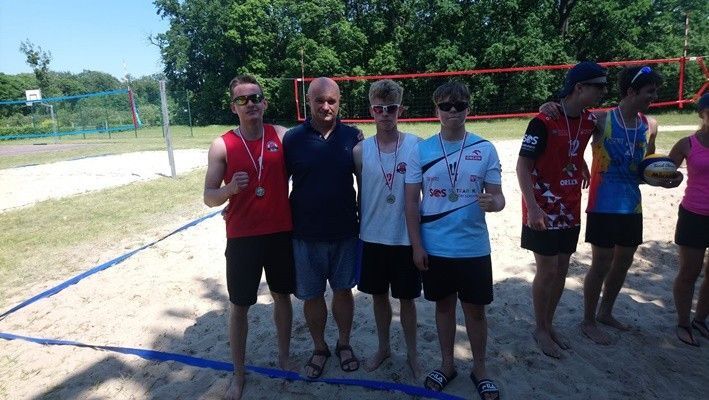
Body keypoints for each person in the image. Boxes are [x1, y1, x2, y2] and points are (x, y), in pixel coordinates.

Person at [404, 81, 504, 399]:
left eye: (459, 105)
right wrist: (417, 245)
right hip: (435, 246)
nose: (452, 111)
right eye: (445, 106)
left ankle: (480, 369)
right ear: (436, 110)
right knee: (444, 308)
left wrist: (494, 203)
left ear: (468, 109)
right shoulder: (421, 150)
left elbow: (499, 197)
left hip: (473, 247)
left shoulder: (485, 149)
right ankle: (447, 365)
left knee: (475, 311)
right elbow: (411, 203)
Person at [203, 75, 294, 400]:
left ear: (264, 102)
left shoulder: (281, 136)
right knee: (239, 306)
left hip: (280, 233)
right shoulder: (222, 145)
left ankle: (284, 358)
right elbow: (208, 196)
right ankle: (238, 374)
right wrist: (229, 190)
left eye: (255, 97)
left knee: (282, 297)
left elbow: (315, 146)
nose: (250, 104)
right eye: (242, 99)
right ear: (233, 107)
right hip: (242, 237)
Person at [579, 65, 682, 344]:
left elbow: (646, 169)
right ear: (631, 91)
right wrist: (580, 164)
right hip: (602, 204)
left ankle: (605, 313)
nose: (655, 96)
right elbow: (570, 132)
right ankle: (588, 320)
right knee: (601, 263)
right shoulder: (600, 119)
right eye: (650, 91)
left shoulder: (650, 125)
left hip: (631, 206)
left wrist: (664, 179)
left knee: (623, 262)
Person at [516, 61, 608, 358]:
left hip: (570, 206)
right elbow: (522, 166)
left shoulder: (590, 120)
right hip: (542, 207)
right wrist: (532, 208)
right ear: (579, 87)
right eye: (598, 86)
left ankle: (549, 324)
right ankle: (540, 329)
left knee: (562, 270)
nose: (603, 92)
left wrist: (580, 163)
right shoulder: (543, 121)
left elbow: (574, 145)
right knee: (548, 270)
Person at [283, 77, 361, 379]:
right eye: (319, 100)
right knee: (312, 295)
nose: (326, 106)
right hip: (305, 233)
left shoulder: (353, 137)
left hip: (345, 231)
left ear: (339, 102)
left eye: (331, 101)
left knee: (343, 291)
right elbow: (276, 185)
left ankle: (344, 343)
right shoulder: (292, 139)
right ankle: (319, 347)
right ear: (309, 101)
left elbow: (366, 183)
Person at [352, 79, 423, 379]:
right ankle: (383, 348)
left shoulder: (416, 145)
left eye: (391, 108)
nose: (385, 114)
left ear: (400, 110)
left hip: (405, 237)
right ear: (371, 111)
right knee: (379, 297)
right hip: (371, 236)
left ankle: (413, 353)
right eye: (379, 109)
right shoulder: (360, 150)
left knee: (407, 300)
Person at [668, 93, 709, 346]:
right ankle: (684, 323)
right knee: (688, 273)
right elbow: (664, 174)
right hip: (694, 215)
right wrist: (671, 179)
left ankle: (700, 320)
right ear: (702, 114)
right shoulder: (687, 144)